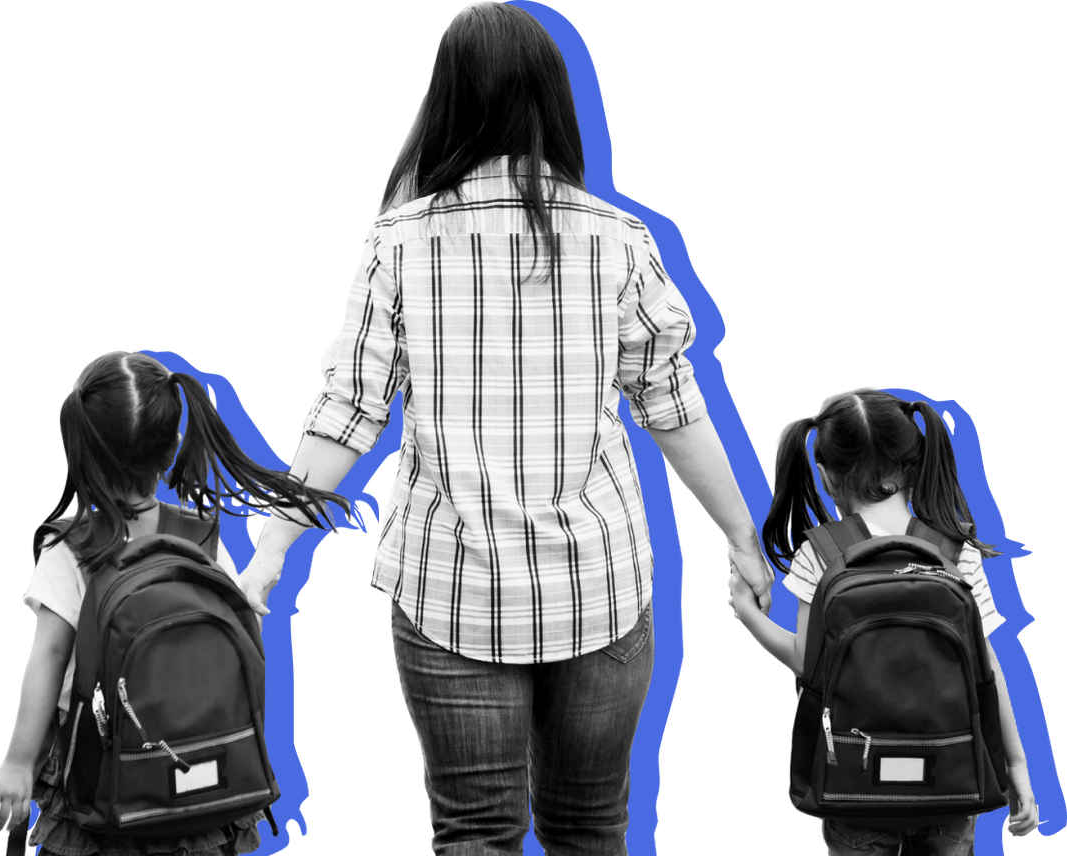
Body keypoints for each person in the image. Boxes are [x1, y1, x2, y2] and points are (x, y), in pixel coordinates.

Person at [236, 3, 771, 853]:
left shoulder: (399, 240)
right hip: (601, 581)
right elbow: (676, 410)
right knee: (592, 829)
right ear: (553, 101)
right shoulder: (621, 239)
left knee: (474, 833)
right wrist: (743, 533)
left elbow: (348, 411)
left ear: (446, 97)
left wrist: (270, 553)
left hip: (449, 588)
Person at [0, 350, 350, 856]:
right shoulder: (202, 539)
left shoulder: (74, 547)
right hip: (203, 784)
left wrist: (18, 763)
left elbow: (47, 659)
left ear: (82, 447)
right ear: (172, 447)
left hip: (103, 789)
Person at [726, 387, 1039, 855]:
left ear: (827, 475)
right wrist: (1015, 766)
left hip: (855, 784)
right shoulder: (956, 552)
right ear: (913, 462)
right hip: (951, 782)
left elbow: (808, 663)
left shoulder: (824, 553)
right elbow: (988, 672)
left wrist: (750, 616)